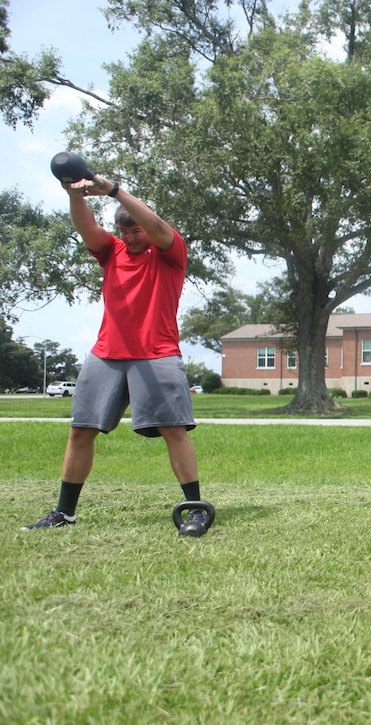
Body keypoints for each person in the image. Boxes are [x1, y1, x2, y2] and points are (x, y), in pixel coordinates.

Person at [21, 171, 209, 531]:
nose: (129, 238)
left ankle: (195, 507)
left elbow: (155, 224)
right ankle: (64, 512)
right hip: (107, 353)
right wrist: (75, 194)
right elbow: (86, 228)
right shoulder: (112, 252)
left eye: (134, 231)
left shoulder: (170, 253)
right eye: (123, 232)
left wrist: (115, 191)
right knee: (80, 430)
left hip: (157, 353)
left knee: (174, 430)